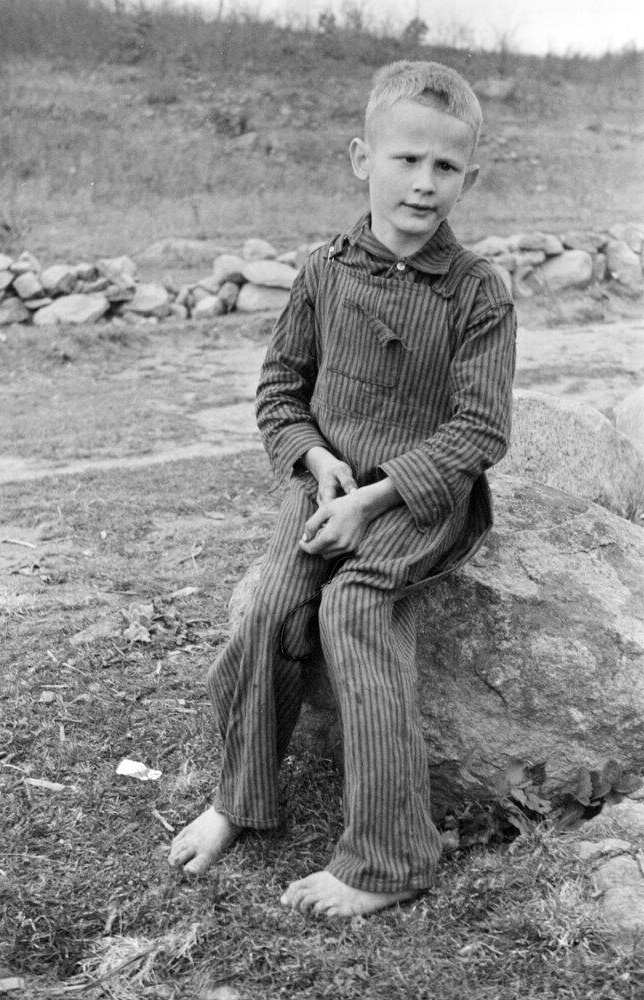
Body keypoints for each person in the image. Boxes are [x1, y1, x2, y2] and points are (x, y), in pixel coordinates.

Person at [168, 60, 517, 918]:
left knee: (350, 609)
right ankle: (238, 799)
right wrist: (314, 461)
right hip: (331, 483)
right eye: (406, 160)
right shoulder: (323, 271)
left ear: (470, 175)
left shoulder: (478, 292)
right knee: (270, 605)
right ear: (362, 158)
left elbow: (481, 431)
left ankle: (390, 856)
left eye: (446, 168)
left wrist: (376, 498)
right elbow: (279, 394)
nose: (425, 184)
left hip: (416, 500)